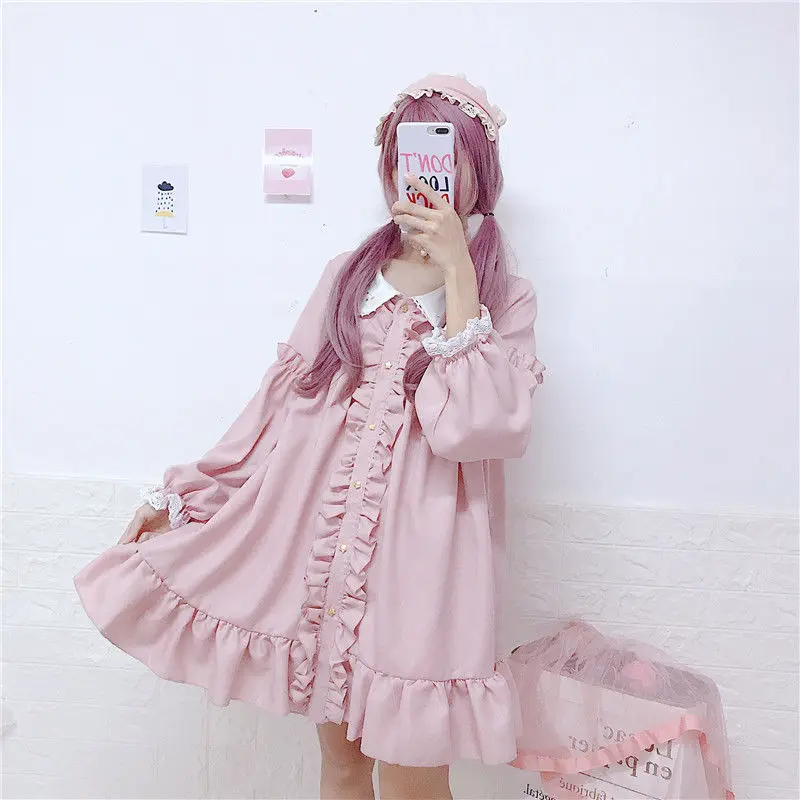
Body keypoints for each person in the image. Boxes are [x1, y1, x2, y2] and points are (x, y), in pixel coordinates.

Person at [75, 73, 547, 800]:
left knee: (415, 780)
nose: (425, 171)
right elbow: (277, 413)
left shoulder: (503, 299)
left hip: (428, 573)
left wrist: (458, 272)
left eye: (445, 153)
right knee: (344, 766)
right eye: (410, 152)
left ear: (477, 168)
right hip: (329, 570)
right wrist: (190, 497)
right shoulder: (349, 277)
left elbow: (476, 428)